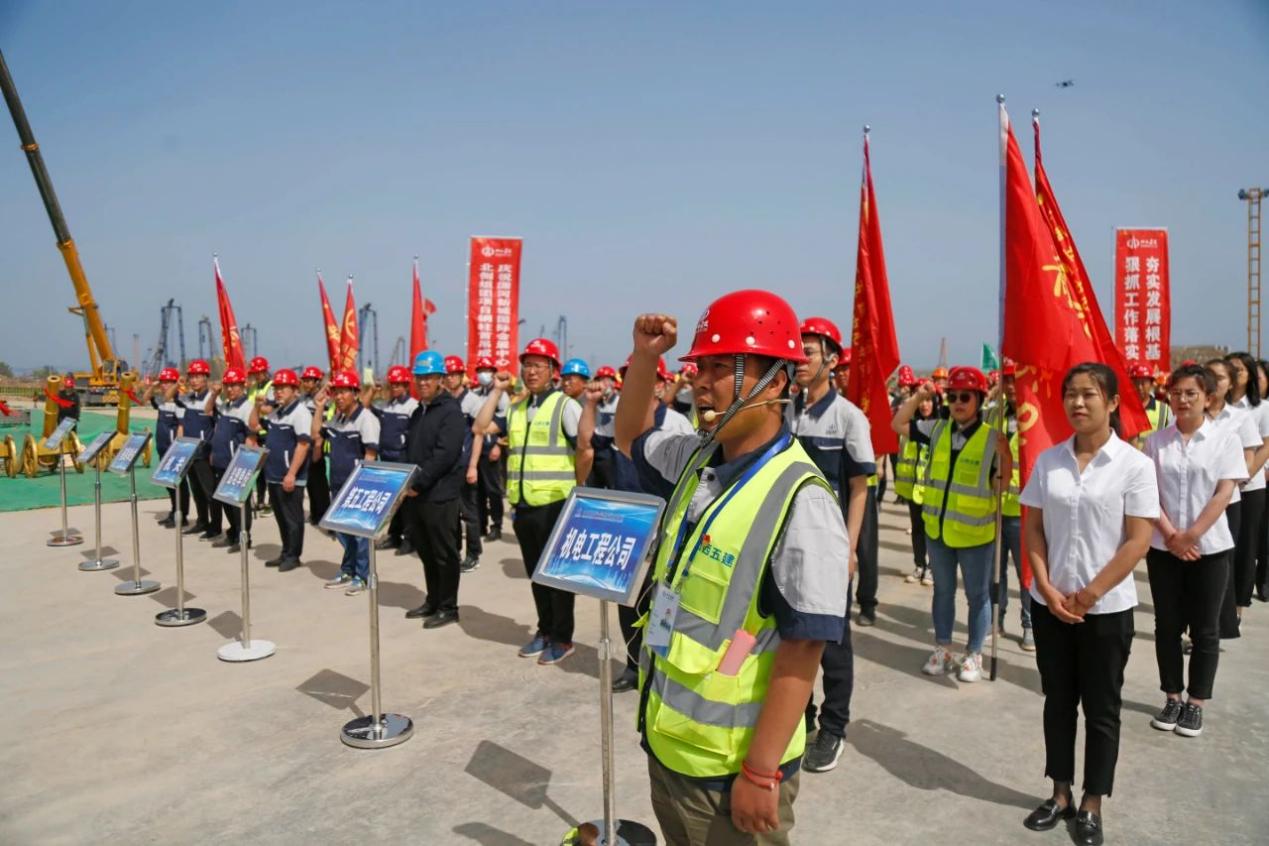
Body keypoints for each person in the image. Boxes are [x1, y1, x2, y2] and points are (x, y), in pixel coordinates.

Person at [615, 292, 849, 844]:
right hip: (669, 746)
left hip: (730, 773)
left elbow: (804, 648)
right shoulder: (697, 458)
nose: (700, 383)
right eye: (699, 367)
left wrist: (761, 771)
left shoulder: (802, 498)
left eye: (720, 368)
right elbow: (628, 437)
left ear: (776, 382)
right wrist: (645, 357)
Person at [1019, 363, 1158, 846]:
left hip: (1106, 610)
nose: (1078, 403)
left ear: (1113, 402)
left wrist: (1090, 593)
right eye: (1071, 394)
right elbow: (1033, 528)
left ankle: (1092, 802)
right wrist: (1045, 586)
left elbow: (1138, 540)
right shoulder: (1049, 461)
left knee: (1102, 709)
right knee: (1058, 702)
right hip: (1051, 605)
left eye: (1089, 394)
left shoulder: (1134, 466)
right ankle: (1060, 794)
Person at [471, 338, 591, 665]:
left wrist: (579, 489)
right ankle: (545, 630)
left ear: (553, 371)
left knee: (557, 576)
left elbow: (585, 450)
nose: (531, 371)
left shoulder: (565, 406)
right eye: (527, 365)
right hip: (523, 505)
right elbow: (480, 427)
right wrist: (497, 390)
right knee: (536, 574)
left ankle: (563, 638)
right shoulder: (517, 408)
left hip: (555, 504)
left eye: (538, 365)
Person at [788, 316, 873, 773]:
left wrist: (849, 548)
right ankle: (799, 716)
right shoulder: (786, 411)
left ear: (833, 360)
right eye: (796, 351)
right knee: (789, 635)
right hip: (787, 545)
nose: (800, 360)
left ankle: (834, 727)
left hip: (829, 547)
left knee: (833, 644)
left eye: (809, 352)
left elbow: (859, 488)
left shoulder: (849, 418)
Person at [1144, 364, 1247, 741]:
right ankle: (1172, 696)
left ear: (1208, 398)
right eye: (1176, 393)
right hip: (1164, 547)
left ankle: (1196, 702)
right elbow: (1148, 494)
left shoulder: (1225, 440)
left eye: (1191, 393)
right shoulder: (1156, 442)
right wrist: (1172, 535)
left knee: (1206, 629)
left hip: (1211, 549)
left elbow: (1224, 493)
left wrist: (1192, 536)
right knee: (1167, 626)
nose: (1182, 400)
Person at [579, 355, 693, 693]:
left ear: (660, 385)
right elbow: (586, 443)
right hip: (627, 525)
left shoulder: (675, 424)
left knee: (662, 602)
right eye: (629, 379)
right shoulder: (618, 421)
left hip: (664, 529)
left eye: (644, 378)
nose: (636, 385)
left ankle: (659, 667)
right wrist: (590, 404)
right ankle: (633, 665)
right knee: (626, 603)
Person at [892, 366, 1009, 683]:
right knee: (942, 592)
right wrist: (918, 396)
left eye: (965, 397)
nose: (957, 402)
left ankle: (974, 654)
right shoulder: (937, 429)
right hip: (938, 532)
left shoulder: (992, 439)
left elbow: (1001, 486)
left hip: (975, 536)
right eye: (952, 396)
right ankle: (943, 649)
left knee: (977, 597)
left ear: (979, 400)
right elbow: (898, 423)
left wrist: (1006, 457)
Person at [402, 351, 467, 628]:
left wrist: (418, 482)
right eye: (419, 377)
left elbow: (445, 455)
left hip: (439, 494)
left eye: (429, 377)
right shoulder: (419, 411)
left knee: (444, 553)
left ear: (441, 379)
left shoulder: (450, 411)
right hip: (417, 495)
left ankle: (448, 607)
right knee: (426, 551)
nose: (423, 382)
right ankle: (433, 600)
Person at [1202, 358, 1260, 640]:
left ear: (1230, 383)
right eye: (1209, 376)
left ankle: (1220, 623)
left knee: (1223, 561)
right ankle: (1198, 624)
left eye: (1221, 377)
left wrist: (1230, 480)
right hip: (1195, 501)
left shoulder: (1240, 417)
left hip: (1228, 499)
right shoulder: (1192, 414)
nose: (1215, 382)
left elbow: (1249, 457)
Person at [315, 371, 380, 595]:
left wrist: (362, 484)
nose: (339, 397)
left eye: (344, 392)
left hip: (357, 485)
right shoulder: (337, 419)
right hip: (337, 483)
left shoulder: (366, 419)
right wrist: (319, 407)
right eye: (336, 392)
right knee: (343, 531)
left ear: (355, 393)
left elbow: (370, 453)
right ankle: (348, 570)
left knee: (360, 535)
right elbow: (316, 434)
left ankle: (363, 576)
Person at [250, 368, 312, 572]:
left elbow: (303, 445)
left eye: (283, 388)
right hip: (274, 474)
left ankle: (294, 556)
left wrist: (292, 473)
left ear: (294, 390)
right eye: (276, 388)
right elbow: (253, 425)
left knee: (293, 519)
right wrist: (257, 407)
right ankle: (285, 552)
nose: (278, 392)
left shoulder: (300, 413)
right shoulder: (277, 413)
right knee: (281, 518)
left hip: (289, 476)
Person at [1225, 351, 1269, 626]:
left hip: (1250, 487)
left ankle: (1238, 607)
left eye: (1239, 369)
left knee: (1245, 547)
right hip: (1222, 489)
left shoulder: (1261, 407)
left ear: (1249, 375)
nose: (1234, 373)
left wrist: (1244, 475)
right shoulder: (1217, 405)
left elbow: (1266, 446)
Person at [992, 361, 1033, 650]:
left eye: (1014, 379)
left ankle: (1029, 624)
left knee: (1026, 573)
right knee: (995, 572)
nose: (1009, 386)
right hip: (995, 507)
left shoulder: (1035, 418)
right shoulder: (995, 415)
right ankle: (997, 619)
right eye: (1005, 380)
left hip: (1025, 512)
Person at [367, 365, 418, 554]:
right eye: (392, 384)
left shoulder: (412, 406)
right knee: (392, 502)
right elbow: (364, 407)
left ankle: (409, 539)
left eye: (398, 384)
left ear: (405, 385)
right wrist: (372, 391)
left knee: (406, 502)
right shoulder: (386, 405)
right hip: (387, 457)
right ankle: (394, 536)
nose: (395, 387)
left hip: (403, 458)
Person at [206, 367, 256, 551]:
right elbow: (208, 411)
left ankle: (244, 538)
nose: (230, 389)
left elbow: (251, 437)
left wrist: (246, 465)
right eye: (227, 385)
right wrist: (214, 394)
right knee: (225, 500)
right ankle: (233, 533)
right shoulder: (226, 405)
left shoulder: (247, 407)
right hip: (221, 461)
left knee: (239, 503)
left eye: (234, 385)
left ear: (243, 386)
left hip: (237, 463)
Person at [443, 355, 486, 573]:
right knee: (451, 513)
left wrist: (473, 466)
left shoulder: (473, 402)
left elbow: (478, 435)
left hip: (465, 464)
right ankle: (455, 552)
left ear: (461, 376)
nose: (450, 379)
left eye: (454, 375)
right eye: (447, 375)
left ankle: (473, 554)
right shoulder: (443, 400)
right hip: (447, 468)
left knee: (469, 513)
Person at [893, 366, 934, 586]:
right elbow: (896, 424)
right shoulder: (913, 427)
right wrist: (916, 397)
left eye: (929, 401)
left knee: (932, 532)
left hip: (933, 491)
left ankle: (932, 568)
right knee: (917, 530)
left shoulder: (940, 427)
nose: (925, 405)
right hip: (914, 491)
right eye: (922, 401)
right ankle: (919, 565)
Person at [145, 368, 189, 528]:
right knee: (168, 484)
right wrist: (153, 385)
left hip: (174, 450)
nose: (164, 385)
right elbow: (145, 398)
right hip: (162, 448)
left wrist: (178, 450)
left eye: (168, 382)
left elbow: (181, 428)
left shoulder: (180, 402)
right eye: (163, 382)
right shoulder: (163, 402)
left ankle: (182, 514)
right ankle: (174, 511)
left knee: (179, 484)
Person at [176, 359, 215, 537]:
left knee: (209, 492)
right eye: (191, 376)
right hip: (189, 452)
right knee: (197, 491)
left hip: (204, 453)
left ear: (206, 378)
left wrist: (213, 450)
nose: (194, 380)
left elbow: (217, 426)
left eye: (198, 376)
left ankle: (215, 526)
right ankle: (202, 521)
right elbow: (171, 399)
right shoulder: (188, 399)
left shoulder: (212, 398)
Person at [471, 356, 509, 541]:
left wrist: (498, 445)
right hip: (475, 447)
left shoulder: (501, 395)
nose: (483, 374)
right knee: (477, 489)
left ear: (494, 373)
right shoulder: (475, 394)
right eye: (480, 371)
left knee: (493, 489)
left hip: (491, 446)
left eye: (486, 371)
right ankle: (481, 524)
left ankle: (497, 525)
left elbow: (506, 421)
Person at [299, 366, 331, 526]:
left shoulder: (325, 399)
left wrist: (318, 444)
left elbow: (323, 422)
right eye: (304, 380)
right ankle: (315, 513)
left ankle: (323, 513)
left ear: (317, 382)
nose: (306, 383)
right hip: (306, 442)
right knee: (310, 481)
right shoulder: (303, 399)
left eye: (309, 380)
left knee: (319, 482)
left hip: (317, 443)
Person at [247, 356, 274, 517]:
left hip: (267, 432)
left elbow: (268, 409)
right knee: (259, 471)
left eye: (259, 372)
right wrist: (256, 407)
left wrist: (256, 407)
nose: (257, 375)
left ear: (265, 371)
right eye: (255, 373)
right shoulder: (253, 388)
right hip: (255, 433)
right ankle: (260, 500)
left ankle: (271, 502)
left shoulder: (271, 387)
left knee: (270, 469)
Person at [588, 365, 621, 488]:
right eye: (601, 380)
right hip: (595, 451)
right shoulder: (593, 402)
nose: (604, 384)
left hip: (612, 453)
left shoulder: (619, 402)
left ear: (613, 383)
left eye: (607, 380)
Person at [1129, 362, 1170, 448]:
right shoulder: (1124, 410)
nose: (1139, 387)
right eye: (1136, 383)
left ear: (1151, 384)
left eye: (1143, 383)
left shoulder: (1164, 410)